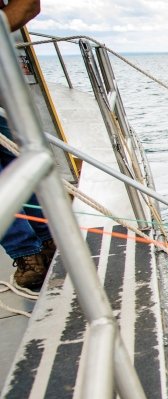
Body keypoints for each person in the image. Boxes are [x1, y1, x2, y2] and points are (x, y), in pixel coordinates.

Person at [0, 0, 52, 292]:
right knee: (17, 161)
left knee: (16, 161)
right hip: (6, 75)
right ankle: (45, 240)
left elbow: (28, 5)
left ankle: (28, 254)